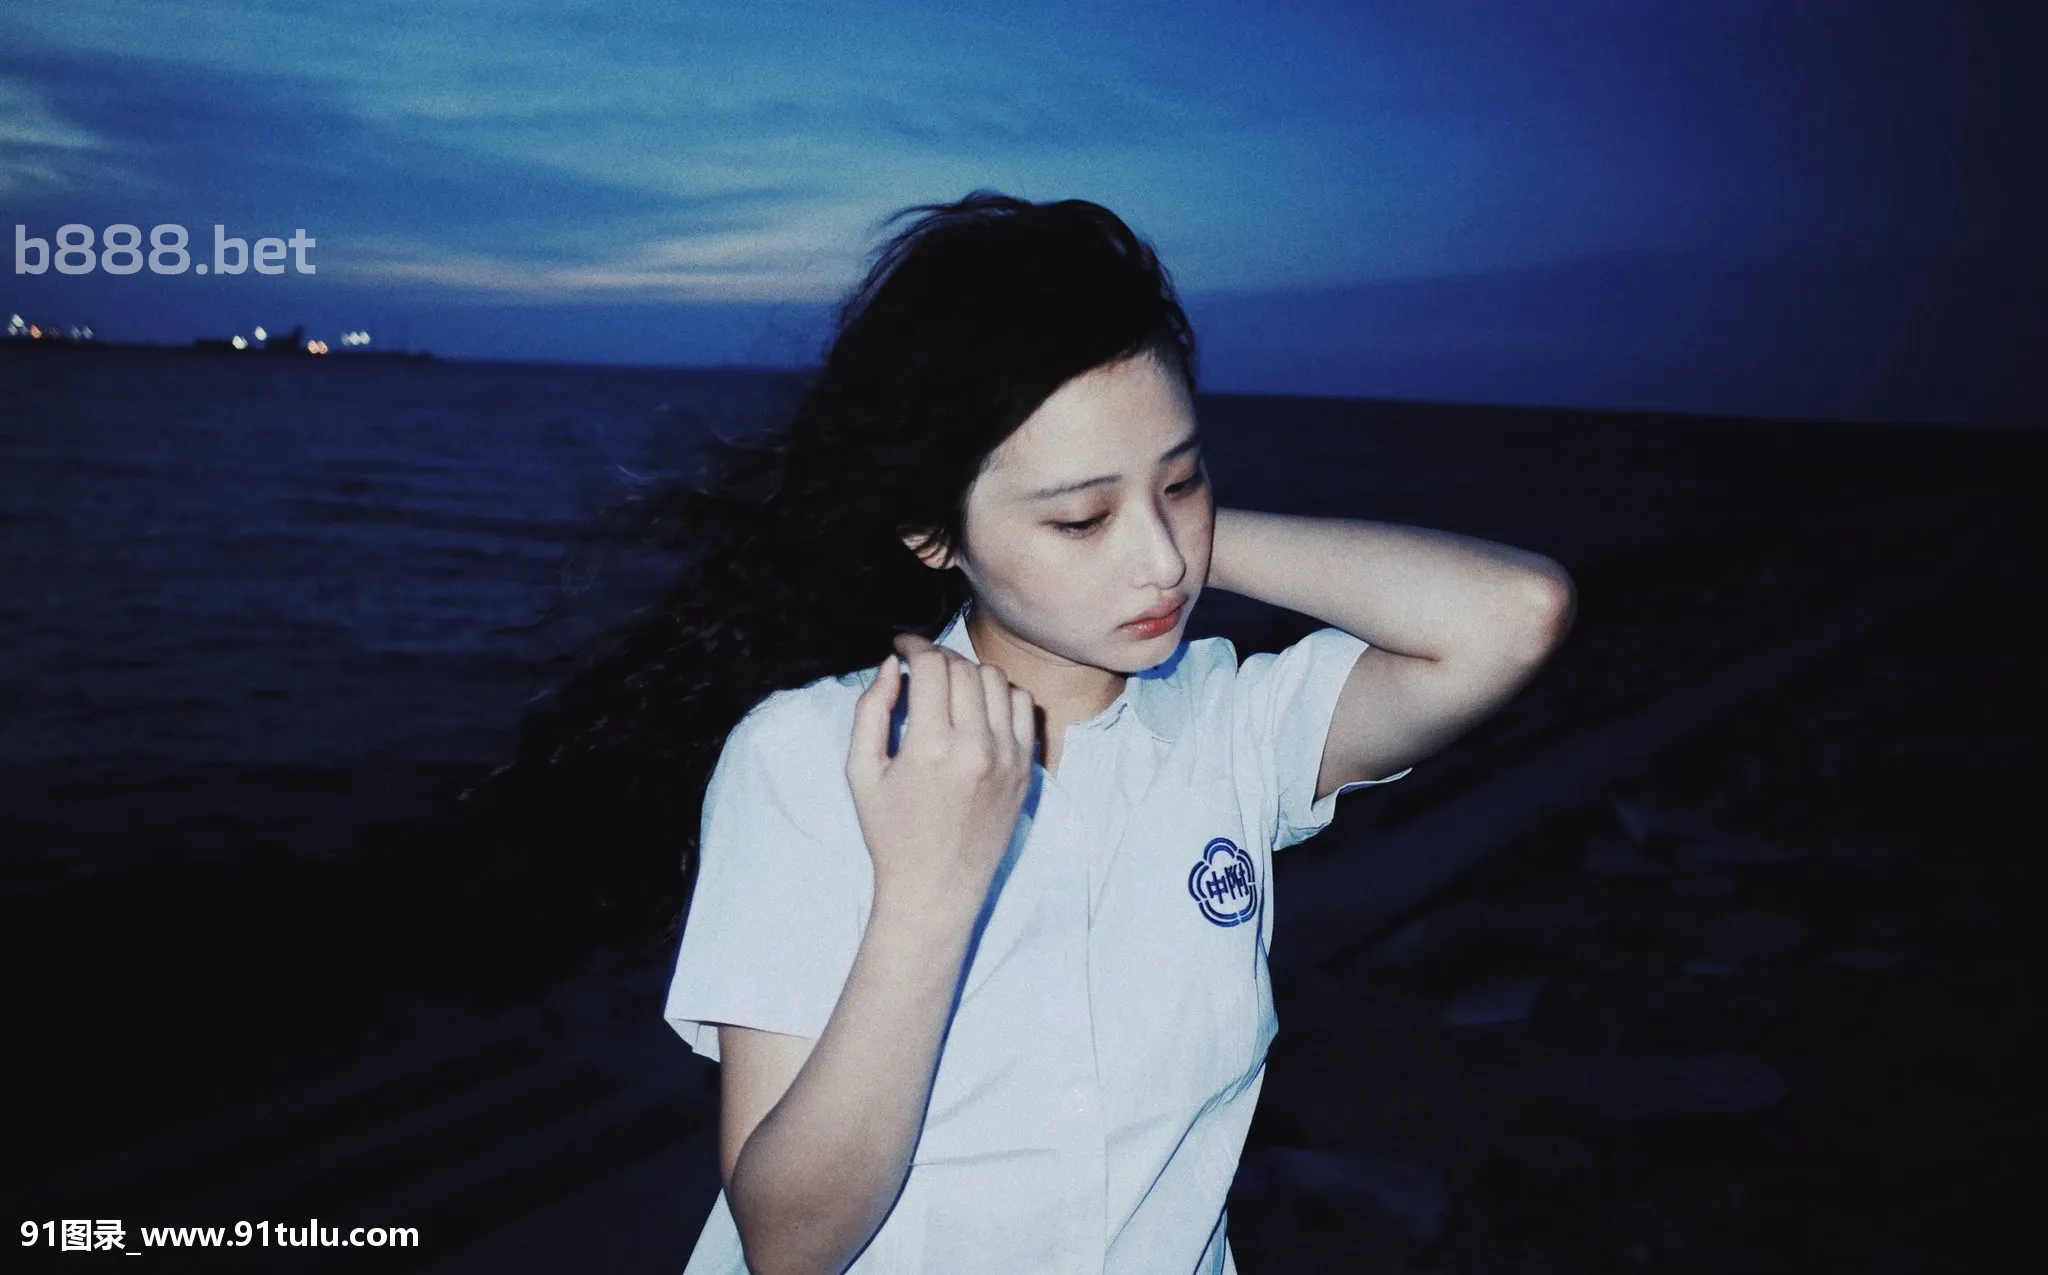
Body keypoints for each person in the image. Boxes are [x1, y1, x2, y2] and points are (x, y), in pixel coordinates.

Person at [476, 190, 1575, 1273]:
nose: (1158, 560)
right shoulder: (813, 755)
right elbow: (791, 1243)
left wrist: (1148, 511)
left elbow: (1512, 616)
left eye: (1186, 479)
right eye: (1076, 518)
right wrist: (928, 892)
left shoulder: (1229, 723)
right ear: (930, 531)